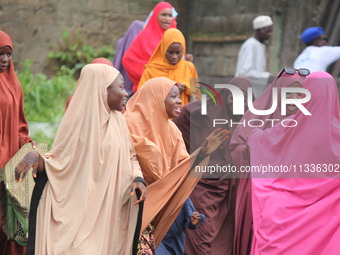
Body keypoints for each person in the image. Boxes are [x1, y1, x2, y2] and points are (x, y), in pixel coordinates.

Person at [15, 64, 147, 255]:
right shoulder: (79, 125)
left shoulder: (119, 122)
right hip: (80, 216)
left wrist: (137, 178)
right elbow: (60, 164)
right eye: (120, 87)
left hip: (108, 216)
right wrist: (37, 158)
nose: (126, 93)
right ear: (102, 90)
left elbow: (131, 157)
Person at [124, 77, 229, 253]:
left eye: (179, 96)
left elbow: (178, 176)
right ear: (156, 99)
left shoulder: (172, 130)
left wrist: (202, 154)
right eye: (173, 96)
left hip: (167, 214)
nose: (180, 100)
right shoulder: (128, 125)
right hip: (135, 210)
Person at [248, 71, 340, 254]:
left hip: (286, 209)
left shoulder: (290, 126)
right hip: (328, 213)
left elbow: (261, 142)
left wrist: (254, 134)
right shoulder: (337, 131)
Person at [229, 66, 309, 255]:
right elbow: (237, 147)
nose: (294, 100)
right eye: (289, 94)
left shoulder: (309, 123)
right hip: (259, 197)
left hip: (295, 204)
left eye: (300, 95)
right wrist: (257, 148)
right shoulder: (258, 117)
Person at [173, 77, 253, 255]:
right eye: (233, 97)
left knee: (226, 237)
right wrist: (203, 151)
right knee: (202, 231)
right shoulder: (202, 114)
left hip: (232, 190)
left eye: (244, 98)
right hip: (203, 186)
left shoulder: (252, 122)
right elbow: (175, 133)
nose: (238, 103)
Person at [0, 30, 36, 255]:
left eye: (8, 55)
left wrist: (28, 146)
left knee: (12, 229)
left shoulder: (14, 85)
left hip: (9, 169)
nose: (4, 60)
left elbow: (20, 126)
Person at [122, 2, 177, 93]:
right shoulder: (146, 35)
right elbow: (128, 60)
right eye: (164, 15)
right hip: (149, 90)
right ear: (155, 16)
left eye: (170, 15)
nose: (167, 19)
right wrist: (152, 73)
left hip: (173, 89)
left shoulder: (174, 36)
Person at [138, 28, 200, 105]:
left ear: (183, 51)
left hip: (183, 115)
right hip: (158, 116)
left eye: (178, 52)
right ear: (163, 49)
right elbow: (141, 97)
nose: (174, 56)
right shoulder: (151, 70)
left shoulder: (189, 67)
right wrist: (170, 90)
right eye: (170, 52)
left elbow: (196, 95)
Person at [235, 15, 274, 99]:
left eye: (271, 31)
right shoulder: (250, 45)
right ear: (258, 30)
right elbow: (245, 73)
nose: (270, 34)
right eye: (267, 31)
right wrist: (268, 77)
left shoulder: (261, 45)